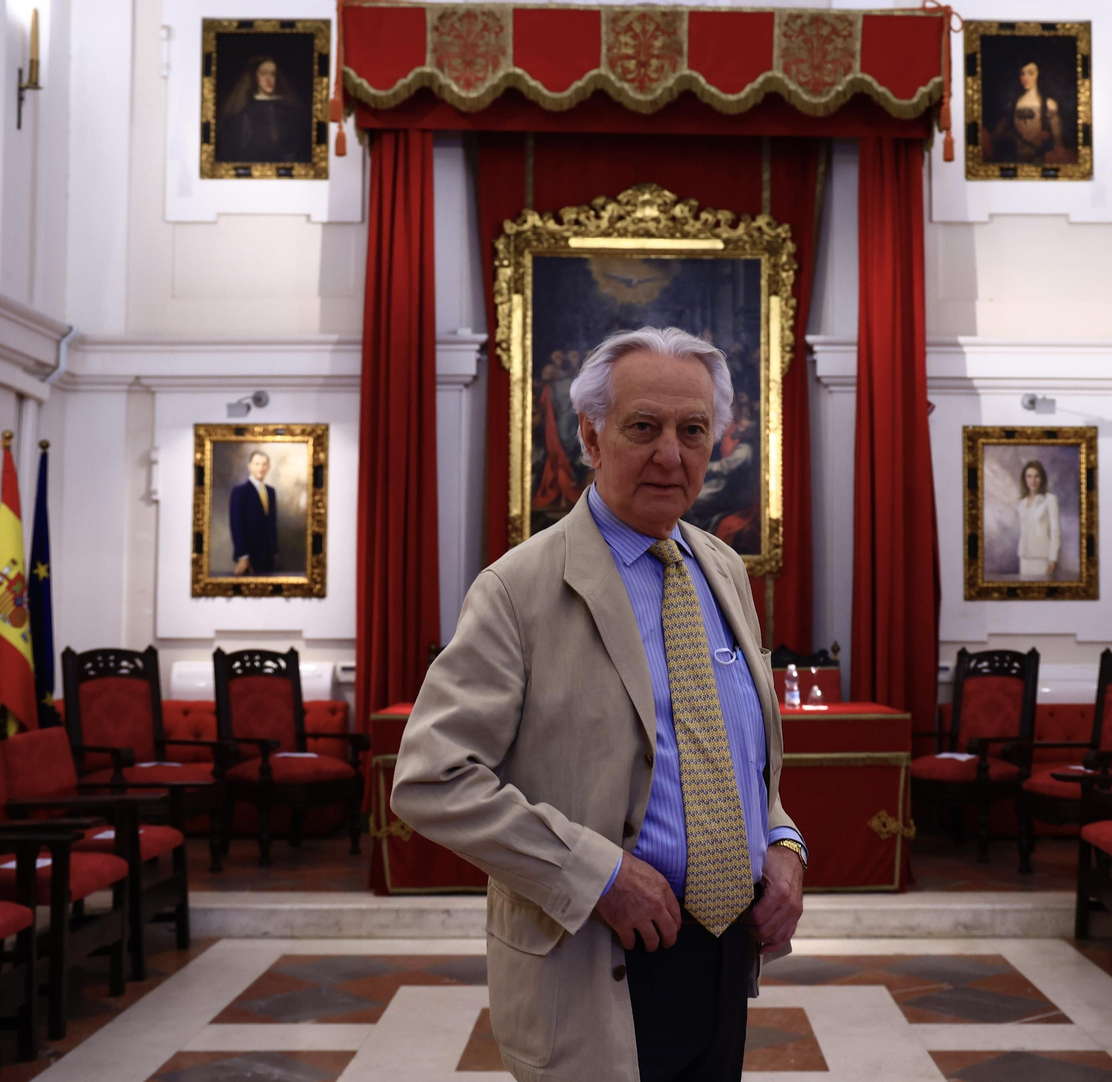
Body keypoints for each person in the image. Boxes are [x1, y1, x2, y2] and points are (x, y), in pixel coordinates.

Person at [392, 327, 806, 1081]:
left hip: (724, 955)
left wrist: (782, 845)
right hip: (597, 953)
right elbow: (431, 778)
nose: (671, 456)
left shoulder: (721, 570)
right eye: (643, 428)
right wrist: (600, 876)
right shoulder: (517, 590)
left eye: (693, 431)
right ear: (589, 433)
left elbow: (734, 756)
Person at [216, 54, 308, 163]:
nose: (269, 79)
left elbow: (295, 146)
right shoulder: (243, 110)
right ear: (254, 77)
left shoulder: (288, 109)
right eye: (264, 74)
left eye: (273, 74)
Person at [989, 60, 1066, 165]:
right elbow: (996, 135)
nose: (1025, 78)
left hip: (1041, 161)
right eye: (1022, 73)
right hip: (1015, 161)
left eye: (1030, 73)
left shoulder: (1049, 104)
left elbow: (1058, 143)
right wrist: (1010, 136)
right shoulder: (1013, 105)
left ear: (1039, 74)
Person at [229, 450, 278, 575]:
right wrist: (243, 555)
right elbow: (236, 525)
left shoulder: (271, 491)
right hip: (249, 557)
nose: (260, 468)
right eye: (257, 464)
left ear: (268, 467)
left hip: (268, 556)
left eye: (264, 464)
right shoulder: (240, 491)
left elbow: (271, 524)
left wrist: (274, 551)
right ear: (249, 466)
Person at [1016, 459, 1061, 580]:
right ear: (1024, 479)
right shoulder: (1021, 502)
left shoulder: (1050, 499)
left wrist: (1053, 559)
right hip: (1024, 557)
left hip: (1042, 558)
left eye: (1037, 476)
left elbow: (1055, 531)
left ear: (1042, 478)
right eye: (1029, 476)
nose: (1033, 481)